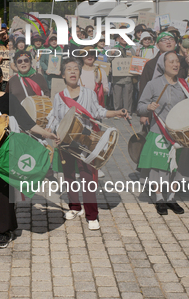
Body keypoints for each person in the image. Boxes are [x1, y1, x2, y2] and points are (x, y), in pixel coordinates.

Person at [0, 63, 59, 248]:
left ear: (1, 79)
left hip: (6, 153)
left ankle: (5, 230)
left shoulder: (10, 100)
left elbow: (27, 123)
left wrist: (47, 134)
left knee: (2, 193)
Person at [46, 58, 129, 230]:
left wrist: (117, 113)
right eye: (68, 69)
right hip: (66, 143)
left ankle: (92, 215)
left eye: (75, 69)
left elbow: (98, 111)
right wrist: (54, 132)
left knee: (87, 179)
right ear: (63, 74)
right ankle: (75, 207)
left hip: (86, 141)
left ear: (79, 73)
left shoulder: (89, 93)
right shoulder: (59, 97)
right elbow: (54, 118)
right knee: (68, 176)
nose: (72, 72)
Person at [137, 51, 189, 215]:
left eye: (177, 61)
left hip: (180, 133)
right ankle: (159, 197)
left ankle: (171, 197)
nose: (175, 64)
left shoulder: (185, 85)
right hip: (159, 131)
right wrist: (148, 108)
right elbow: (140, 106)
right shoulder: (153, 84)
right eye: (171, 61)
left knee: (177, 166)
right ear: (163, 65)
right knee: (158, 166)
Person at [138, 32, 189, 126]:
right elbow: (144, 88)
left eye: (171, 39)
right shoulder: (150, 64)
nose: (168, 42)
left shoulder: (183, 60)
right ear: (157, 45)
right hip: (158, 110)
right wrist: (144, 114)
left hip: (179, 108)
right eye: (164, 40)